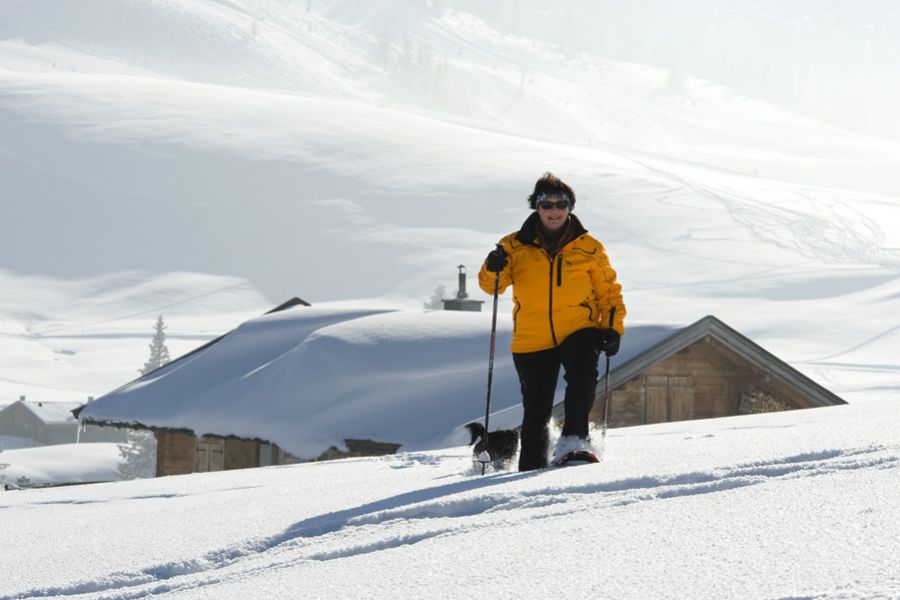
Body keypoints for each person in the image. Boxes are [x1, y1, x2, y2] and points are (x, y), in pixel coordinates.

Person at [478, 172, 626, 471]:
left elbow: (609, 292)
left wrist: (611, 328)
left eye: (561, 204)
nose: (554, 210)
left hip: (579, 327)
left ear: (570, 207)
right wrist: (492, 266)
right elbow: (491, 286)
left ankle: (574, 445)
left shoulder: (589, 247)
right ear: (537, 206)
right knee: (536, 408)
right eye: (547, 204)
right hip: (532, 337)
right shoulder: (513, 246)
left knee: (582, 379)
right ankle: (530, 466)